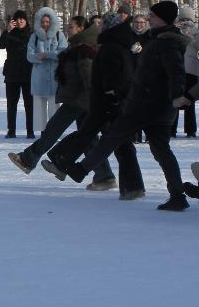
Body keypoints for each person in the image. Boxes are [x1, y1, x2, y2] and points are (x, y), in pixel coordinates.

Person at [45, 1, 189, 211]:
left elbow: (175, 73)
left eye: (153, 16)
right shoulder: (153, 38)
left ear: (164, 19)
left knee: (115, 137)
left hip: (148, 105)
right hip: (147, 103)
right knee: (156, 149)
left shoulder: (166, 42)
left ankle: (81, 170)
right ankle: (176, 195)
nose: (148, 19)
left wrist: (177, 96)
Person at [43, 12, 141, 199]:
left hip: (104, 103)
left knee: (99, 138)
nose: (99, 27)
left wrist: (110, 95)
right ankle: (128, 185)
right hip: (105, 102)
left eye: (102, 23)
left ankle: (67, 164)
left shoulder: (107, 47)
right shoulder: (116, 44)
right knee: (107, 140)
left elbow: (109, 77)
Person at [8, 16, 113, 186]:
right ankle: (104, 175)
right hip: (82, 99)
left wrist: (95, 100)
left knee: (52, 130)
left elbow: (89, 78)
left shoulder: (84, 49)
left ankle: (28, 159)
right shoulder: (80, 46)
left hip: (79, 100)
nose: (67, 29)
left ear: (80, 28)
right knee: (88, 138)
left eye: (71, 27)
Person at [27, 7, 67, 133]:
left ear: (52, 22)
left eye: (47, 22)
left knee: (54, 107)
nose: (45, 24)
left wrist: (47, 55)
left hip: (54, 77)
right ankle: (42, 132)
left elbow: (63, 53)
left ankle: (54, 131)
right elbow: (29, 55)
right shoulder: (34, 37)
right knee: (39, 108)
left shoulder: (59, 35)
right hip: (38, 78)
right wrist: (38, 57)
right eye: (43, 22)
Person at [0, 10, 35, 138]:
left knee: (29, 104)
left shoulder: (32, 34)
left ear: (26, 20)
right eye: (17, 19)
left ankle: (30, 130)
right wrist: (7, 30)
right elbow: (0, 44)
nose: (19, 21)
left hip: (28, 73)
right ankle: (11, 130)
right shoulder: (10, 33)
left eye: (22, 19)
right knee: (11, 104)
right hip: (12, 73)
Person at [181, 7, 198, 137]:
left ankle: (190, 130)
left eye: (188, 19)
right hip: (176, 69)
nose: (185, 22)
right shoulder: (174, 31)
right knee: (174, 99)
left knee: (189, 101)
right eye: (183, 19)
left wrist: (193, 34)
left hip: (192, 70)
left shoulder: (196, 32)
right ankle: (171, 130)